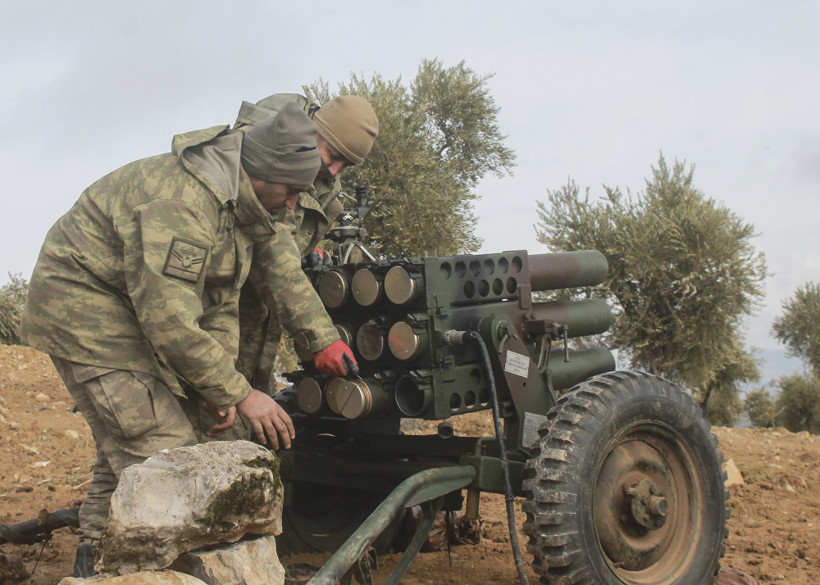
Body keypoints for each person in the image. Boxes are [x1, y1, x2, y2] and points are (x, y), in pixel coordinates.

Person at [19, 101, 356, 577]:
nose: (295, 205)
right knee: (166, 454)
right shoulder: (184, 205)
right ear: (266, 172)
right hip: (84, 308)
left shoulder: (241, 205)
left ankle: (95, 561)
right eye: (293, 191)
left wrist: (216, 389)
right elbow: (171, 321)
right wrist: (243, 395)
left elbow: (217, 302)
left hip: (136, 306)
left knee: (148, 443)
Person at [183, 93, 380, 440]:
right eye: (333, 155)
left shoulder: (318, 180)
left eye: (345, 165)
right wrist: (320, 338)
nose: (334, 170)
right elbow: (271, 247)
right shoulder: (274, 153)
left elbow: (285, 239)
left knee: (241, 425)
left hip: (253, 324)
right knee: (211, 430)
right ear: (315, 129)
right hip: (212, 317)